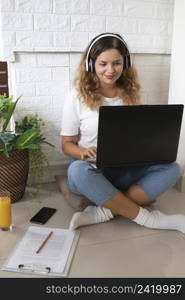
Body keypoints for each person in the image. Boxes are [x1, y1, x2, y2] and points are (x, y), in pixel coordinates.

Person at [61, 32, 185, 233]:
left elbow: (137, 135)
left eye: (116, 63)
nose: (110, 70)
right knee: (76, 170)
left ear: (125, 63)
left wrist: (149, 147)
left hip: (126, 170)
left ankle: (103, 212)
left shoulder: (131, 93)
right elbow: (66, 144)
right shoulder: (76, 96)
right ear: (91, 64)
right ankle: (149, 219)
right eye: (103, 64)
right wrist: (82, 152)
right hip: (92, 171)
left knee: (173, 168)